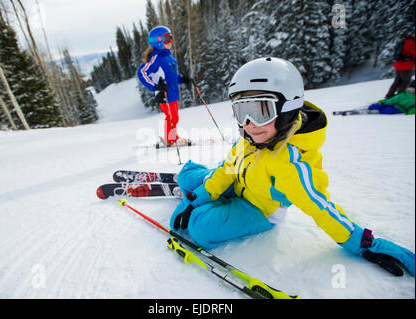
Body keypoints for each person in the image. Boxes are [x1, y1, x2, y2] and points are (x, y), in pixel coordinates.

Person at [169, 57, 415, 277]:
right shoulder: (251, 138)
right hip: (239, 183)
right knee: (188, 175)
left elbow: (321, 208)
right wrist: (198, 197)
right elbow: (227, 169)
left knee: (200, 227)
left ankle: (216, 203)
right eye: (242, 111)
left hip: (258, 209)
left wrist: (366, 244)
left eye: (261, 111)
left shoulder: (291, 165)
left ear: (288, 109)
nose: (250, 124)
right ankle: (208, 193)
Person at [137, 26, 192, 147]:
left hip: (172, 93)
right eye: (167, 39)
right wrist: (156, 87)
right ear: (159, 41)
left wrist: (183, 79)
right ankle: (171, 140)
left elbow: (171, 76)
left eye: (171, 38)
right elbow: (141, 72)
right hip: (164, 94)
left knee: (174, 117)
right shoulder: (155, 58)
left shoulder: (169, 57)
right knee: (172, 117)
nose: (170, 41)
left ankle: (172, 138)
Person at [385, 31, 415, 99]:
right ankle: (399, 98)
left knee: (397, 81)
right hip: (406, 65)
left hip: (399, 64)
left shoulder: (406, 40)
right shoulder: (411, 43)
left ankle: (389, 96)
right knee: (405, 82)